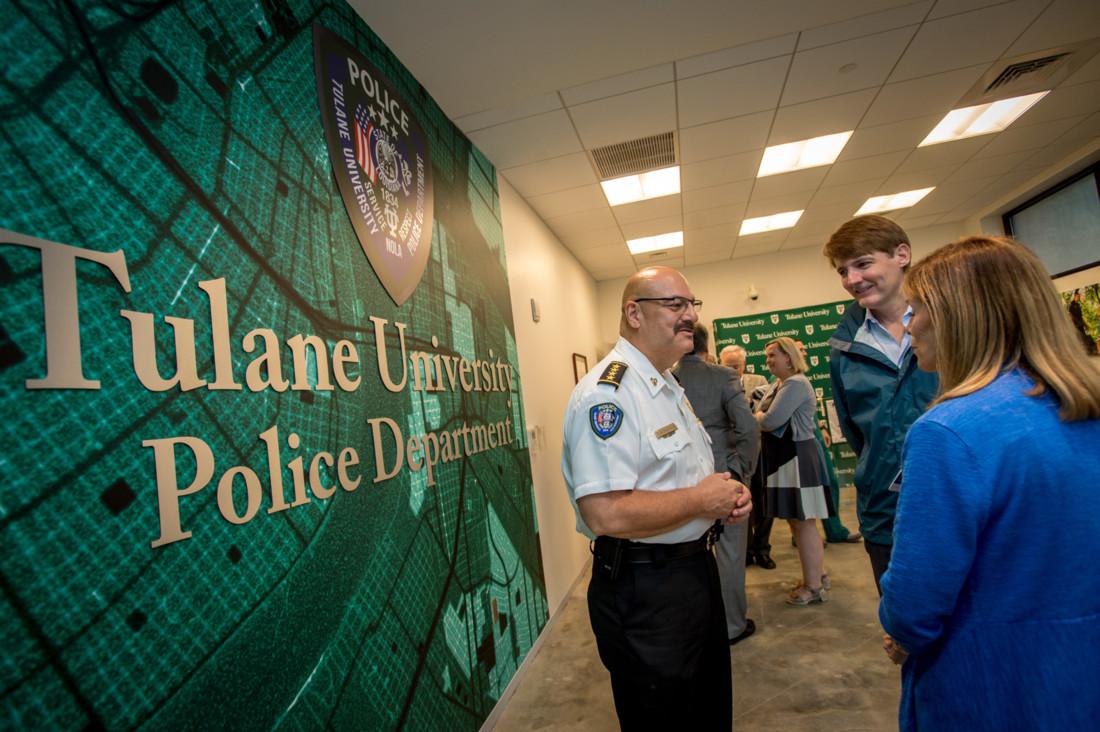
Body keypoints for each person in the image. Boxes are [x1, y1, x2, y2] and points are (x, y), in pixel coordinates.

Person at [878, 235, 1100, 731]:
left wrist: (899, 628)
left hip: (994, 685)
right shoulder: (1085, 409)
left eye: (916, 309)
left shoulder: (949, 431)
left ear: (958, 316)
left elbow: (915, 604)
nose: (909, 325)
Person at [561, 266, 752, 729]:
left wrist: (724, 494)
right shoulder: (608, 395)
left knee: (706, 710)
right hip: (645, 590)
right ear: (634, 313)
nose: (689, 315)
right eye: (675, 305)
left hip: (692, 573)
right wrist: (700, 502)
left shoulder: (665, 383)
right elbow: (605, 512)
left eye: (692, 305)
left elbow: (677, 476)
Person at [823, 215, 938, 594]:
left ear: (901, 255)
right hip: (884, 512)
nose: (852, 279)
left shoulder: (947, 322)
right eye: (843, 270)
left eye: (863, 263)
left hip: (955, 500)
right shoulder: (842, 348)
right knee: (903, 627)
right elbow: (857, 433)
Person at [675, 325, 760, 645]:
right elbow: (748, 430)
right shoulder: (723, 376)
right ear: (705, 343)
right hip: (724, 478)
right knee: (729, 555)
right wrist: (741, 475)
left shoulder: (665, 379)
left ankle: (695, 624)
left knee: (686, 555)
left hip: (681, 486)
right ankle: (731, 626)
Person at [753, 337, 835, 605]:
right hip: (784, 458)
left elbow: (770, 419)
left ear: (788, 358)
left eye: (772, 355)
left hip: (796, 457)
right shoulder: (779, 384)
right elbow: (761, 411)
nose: (768, 361)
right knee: (796, 521)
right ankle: (817, 575)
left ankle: (813, 587)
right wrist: (760, 415)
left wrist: (759, 417)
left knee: (804, 521)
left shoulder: (796, 384)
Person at [793, 339, 860, 546]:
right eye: (800, 349)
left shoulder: (799, 378)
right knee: (808, 489)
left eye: (804, 348)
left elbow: (808, 410)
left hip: (815, 436)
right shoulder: (787, 380)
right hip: (801, 442)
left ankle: (833, 530)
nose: (804, 352)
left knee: (828, 484)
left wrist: (821, 426)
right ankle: (804, 534)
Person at [719, 344, 773, 568]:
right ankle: (746, 551)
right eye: (728, 365)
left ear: (744, 364)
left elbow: (767, 409)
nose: (733, 370)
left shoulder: (759, 381)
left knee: (764, 501)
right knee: (740, 504)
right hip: (731, 452)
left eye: (737, 365)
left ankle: (762, 548)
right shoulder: (717, 382)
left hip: (758, 448)